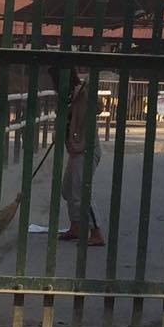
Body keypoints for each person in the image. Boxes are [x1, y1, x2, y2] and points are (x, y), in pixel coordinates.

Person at [57, 67, 104, 246]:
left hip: (87, 150)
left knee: (81, 192)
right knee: (68, 189)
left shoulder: (83, 93)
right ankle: (75, 225)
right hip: (76, 150)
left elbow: (98, 107)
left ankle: (96, 232)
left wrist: (88, 89)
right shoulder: (67, 98)